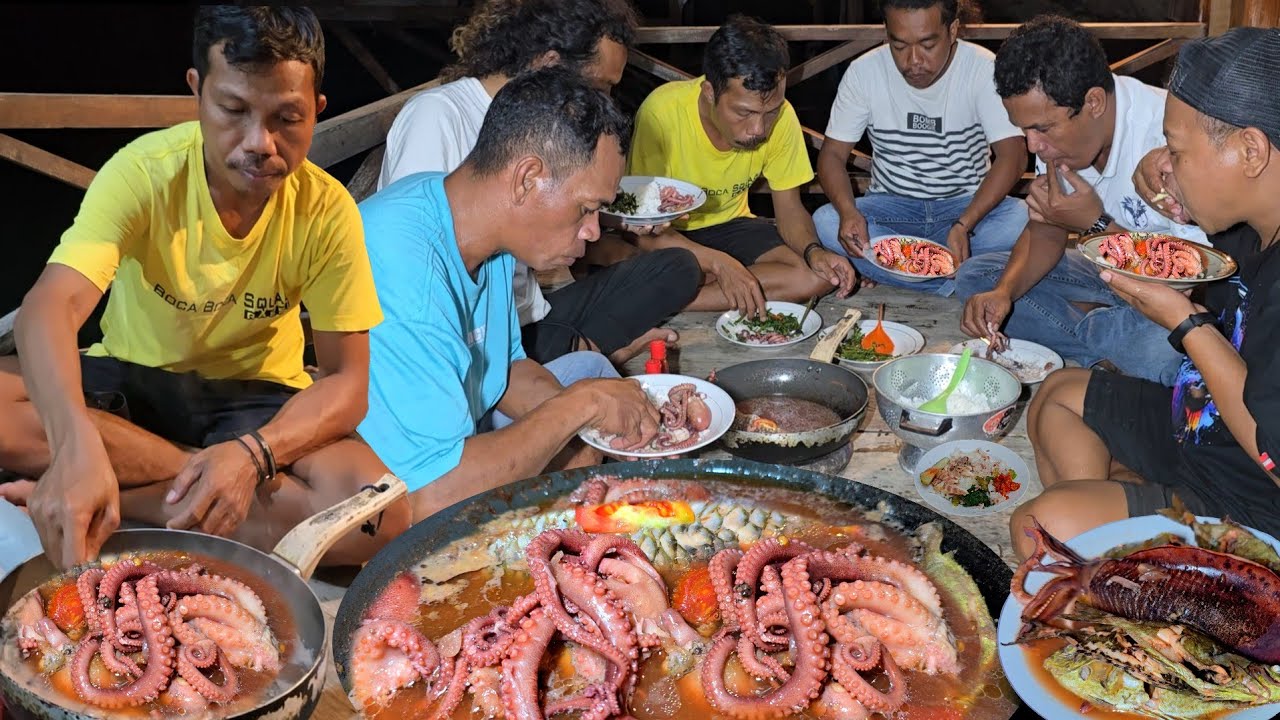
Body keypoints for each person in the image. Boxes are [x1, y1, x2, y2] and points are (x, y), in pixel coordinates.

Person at [0, 6, 409, 569]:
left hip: (256, 399)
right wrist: (74, 441)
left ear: (317, 110)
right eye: (233, 110)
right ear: (197, 92)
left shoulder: (327, 209)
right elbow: (50, 305)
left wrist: (249, 457)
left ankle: (119, 495)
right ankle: (189, 485)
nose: (259, 142)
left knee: (380, 512)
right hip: (133, 384)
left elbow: (347, 383)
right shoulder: (144, 172)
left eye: (286, 118)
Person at [1010, 27, 1280, 560]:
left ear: (1250, 150)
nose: (1165, 164)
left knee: (1038, 530)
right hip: (1201, 424)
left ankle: (1131, 571)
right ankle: (1119, 530)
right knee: (1057, 395)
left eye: (1177, 152)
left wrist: (1184, 321)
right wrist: (1188, 202)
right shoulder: (1254, 225)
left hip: (1252, 499)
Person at [358, 67, 663, 524]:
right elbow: (431, 498)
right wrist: (583, 406)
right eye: (586, 208)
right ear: (527, 179)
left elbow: (502, 370)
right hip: (382, 499)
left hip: (457, 434)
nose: (594, 231)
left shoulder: (484, 230)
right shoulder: (406, 267)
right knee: (587, 406)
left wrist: (592, 425)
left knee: (592, 393)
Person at [378, 0, 699, 367]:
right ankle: (582, 354)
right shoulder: (437, 117)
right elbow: (413, 259)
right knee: (570, 361)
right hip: (464, 335)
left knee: (677, 268)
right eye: (599, 87)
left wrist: (613, 215)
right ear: (549, 65)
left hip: (526, 317)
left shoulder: (546, 130)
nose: (605, 102)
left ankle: (576, 352)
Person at [954, 15, 1206, 386]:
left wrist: (1098, 225)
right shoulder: (1056, 134)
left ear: (1094, 102)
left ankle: (1097, 334)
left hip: (1171, 291)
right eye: (1023, 128)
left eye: (1042, 128)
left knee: (1169, 349)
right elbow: (1047, 230)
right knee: (976, 279)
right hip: (1107, 274)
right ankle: (1107, 338)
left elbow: (1193, 279)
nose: (1032, 146)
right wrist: (1005, 293)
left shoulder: (1169, 135)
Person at [626, 15, 858, 318]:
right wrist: (722, 264)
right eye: (743, 112)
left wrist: (814, 252)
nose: (759, 129)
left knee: (817, 276)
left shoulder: (783, 116)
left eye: (770, 112)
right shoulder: (661, 114)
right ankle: (714, 279)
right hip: (668, 233)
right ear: (710, 93)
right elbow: (642, 228)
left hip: (731, 226)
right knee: (627, 253)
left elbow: (789, 210)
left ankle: (681, 299)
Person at [813, 0, 1029, 296]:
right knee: (826, 220)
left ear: (952, 30)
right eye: (899, 45)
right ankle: (951, 280)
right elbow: (832, 156)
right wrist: (849, 212)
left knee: (1021, 217)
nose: (913, 60)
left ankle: (898, 270)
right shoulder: (864, 72)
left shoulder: (982, 68)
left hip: (966, 210)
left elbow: (1014, 156)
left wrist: (964, 224)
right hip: (892, 211)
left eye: (928, 44)